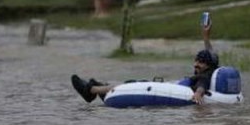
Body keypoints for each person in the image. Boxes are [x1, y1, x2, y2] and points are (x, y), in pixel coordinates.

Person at [71, 23, 219, 105]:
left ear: (208, 66)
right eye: (196, 60)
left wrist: (198, 94)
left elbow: (201, 86)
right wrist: (206, 36)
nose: (196, 64)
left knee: (129, 84)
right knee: (131, 83)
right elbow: (211, 54)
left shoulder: (204, 77)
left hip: (168, 90)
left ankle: (90, 90)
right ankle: (100, 89)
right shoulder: (212, 68)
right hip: (171, 86)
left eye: (200, 62)